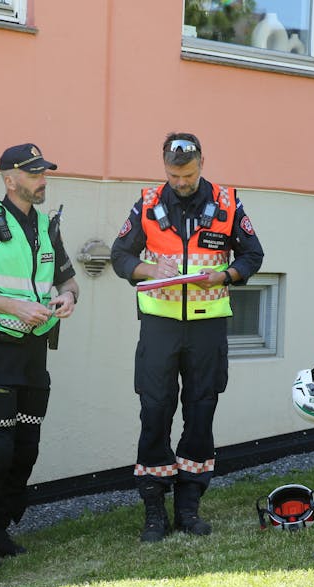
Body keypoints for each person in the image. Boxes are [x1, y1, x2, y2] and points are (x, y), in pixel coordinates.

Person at [110, 132, 264, 542]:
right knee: (155, 413)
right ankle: (154, 511)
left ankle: (189, 507)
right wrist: (146, 271)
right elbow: (119, 255)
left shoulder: (228, 204)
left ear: (202, 164)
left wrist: (227, 275)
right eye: (174, 175)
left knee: (201, 413)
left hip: (207, 327)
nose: (181, 182)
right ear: (165, 168)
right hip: (159, 326)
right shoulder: (147, 203)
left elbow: (253, 254)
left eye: (189, 175)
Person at [0, 143, 79, 568]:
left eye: (44, 173)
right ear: (10, 180)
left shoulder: (47, 225)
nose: (43, 180)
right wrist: (15, 306)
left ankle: (1, 524)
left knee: (26, 448)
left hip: (34, 352)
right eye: (35, 174)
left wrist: (67, 299)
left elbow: (69, 281)